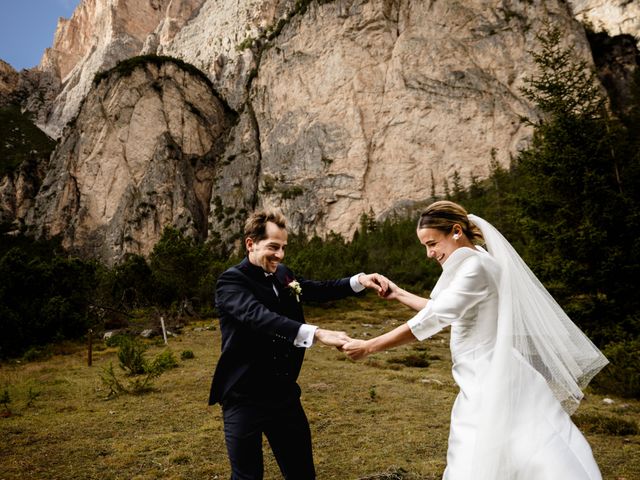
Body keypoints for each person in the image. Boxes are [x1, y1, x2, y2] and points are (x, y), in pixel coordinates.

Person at [342, 200, 608, 480]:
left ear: (456, 231)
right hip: (488, 373)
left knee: (481, 455)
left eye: (432, 243)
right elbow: (444, 308)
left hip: (488, 379)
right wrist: (399, 294)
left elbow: (437, 317)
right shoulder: (477, 259)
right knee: (515, 448)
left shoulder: (475, 268)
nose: (429, 254)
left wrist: (369, 346)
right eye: (425, 246)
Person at [209, 209, 387, 480]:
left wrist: (358, 281)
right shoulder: (231, 281)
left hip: (283, 394)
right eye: (273, 247)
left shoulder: (283, 273)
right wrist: (317, 334)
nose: (279, 255)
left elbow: (315, 288)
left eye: (283, 248)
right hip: (243, 396)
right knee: (247, 477)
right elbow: (259, 317)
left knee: (302, 472)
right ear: (250, 244)